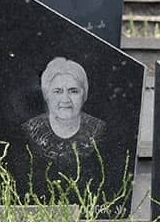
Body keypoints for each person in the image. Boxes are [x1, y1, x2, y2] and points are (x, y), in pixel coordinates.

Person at [20, 57, 110, 195]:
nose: (65, 99)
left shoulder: (100, 130)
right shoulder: (29, 130)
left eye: (73, 91)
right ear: (46, 95)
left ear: (84, 95)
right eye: (57, 91)